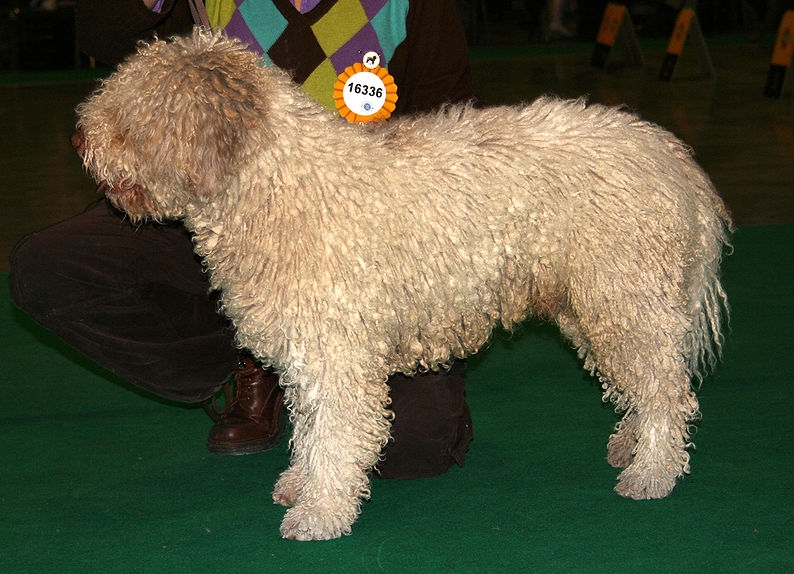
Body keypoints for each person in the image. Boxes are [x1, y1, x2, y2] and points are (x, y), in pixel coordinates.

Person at [10, 0, 474, 479]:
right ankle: (247, 362)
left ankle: (326, 356)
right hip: (212, 223)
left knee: (409, 447)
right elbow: (104, 39)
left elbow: (447, 123)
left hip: (365, 243)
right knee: (49, 267)